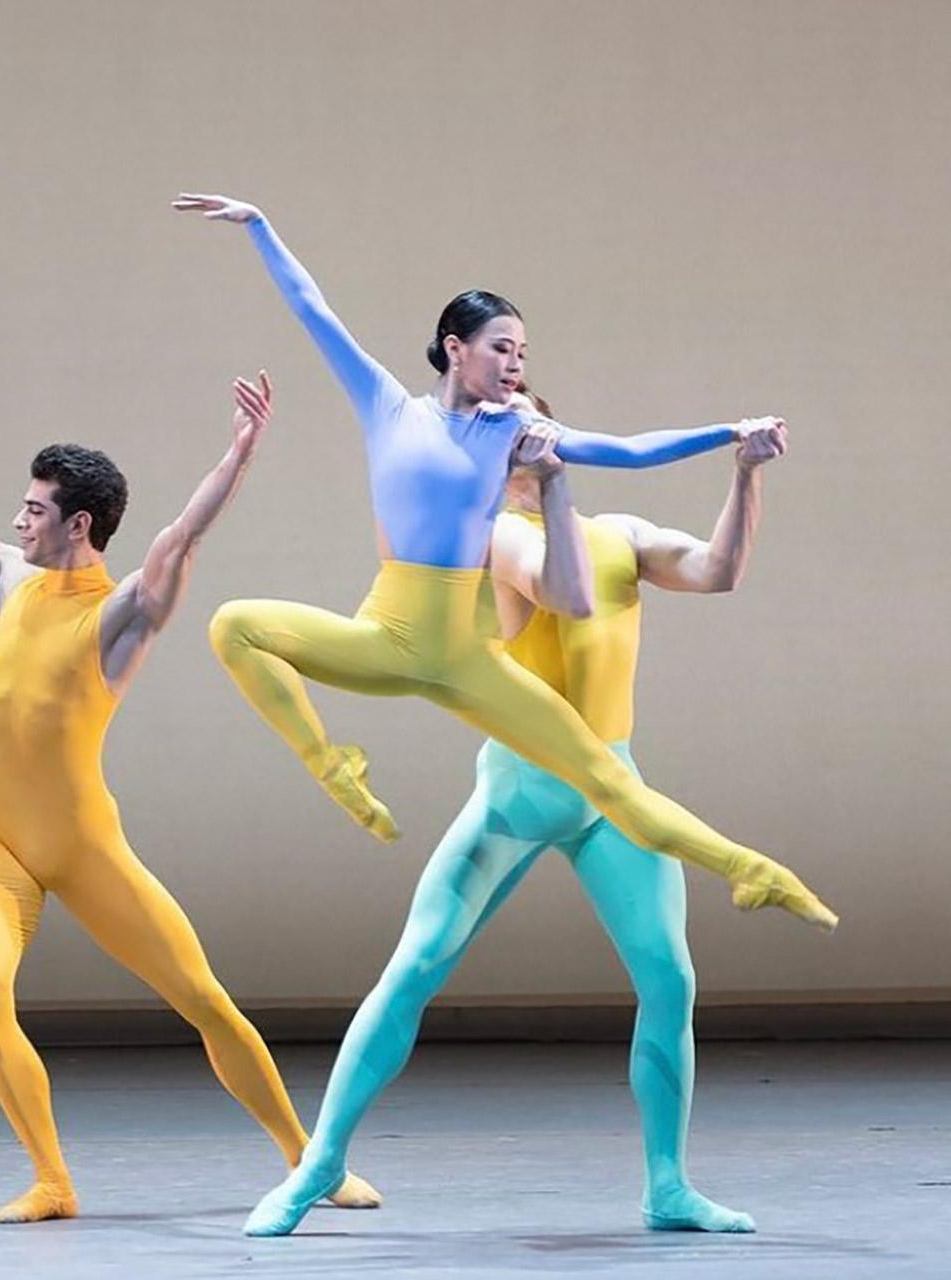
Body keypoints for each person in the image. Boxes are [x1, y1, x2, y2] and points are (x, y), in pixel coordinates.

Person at [170, 192, 833, 930]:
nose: (516, 365)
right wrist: (261, 226)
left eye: (523, 353)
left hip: (466, 654)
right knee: (234, 625)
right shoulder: (388, 407)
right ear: (454, 347)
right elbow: (313, 310)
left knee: (607, 779)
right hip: (386, 637)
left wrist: (730, 433)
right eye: (501, 348)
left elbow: (628, 450)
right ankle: (337, 769)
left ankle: (753, 872)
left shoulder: (513, 430)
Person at [245, 391, 783, 1236]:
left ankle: (668, 1186)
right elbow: (558, 591)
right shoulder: (493, 534)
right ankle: (320, 1163)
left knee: (671, 979)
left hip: (611, 788)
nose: (518, 430)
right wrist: (553, 483)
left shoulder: (624, 535)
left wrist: (745, 476)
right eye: (505, 425)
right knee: (416, 966)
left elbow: (718, 570)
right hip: (521, 785)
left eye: (529, 415)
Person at [0, 366, 379, 1222]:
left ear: (78, 523)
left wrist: (238, 457)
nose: (17, 519)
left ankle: (311, 1161)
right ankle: (53, 1181)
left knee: (203, 998)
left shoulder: (120, 612)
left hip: (84, 846)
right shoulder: (16, 581)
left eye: (34, 508)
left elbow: (180, 537)